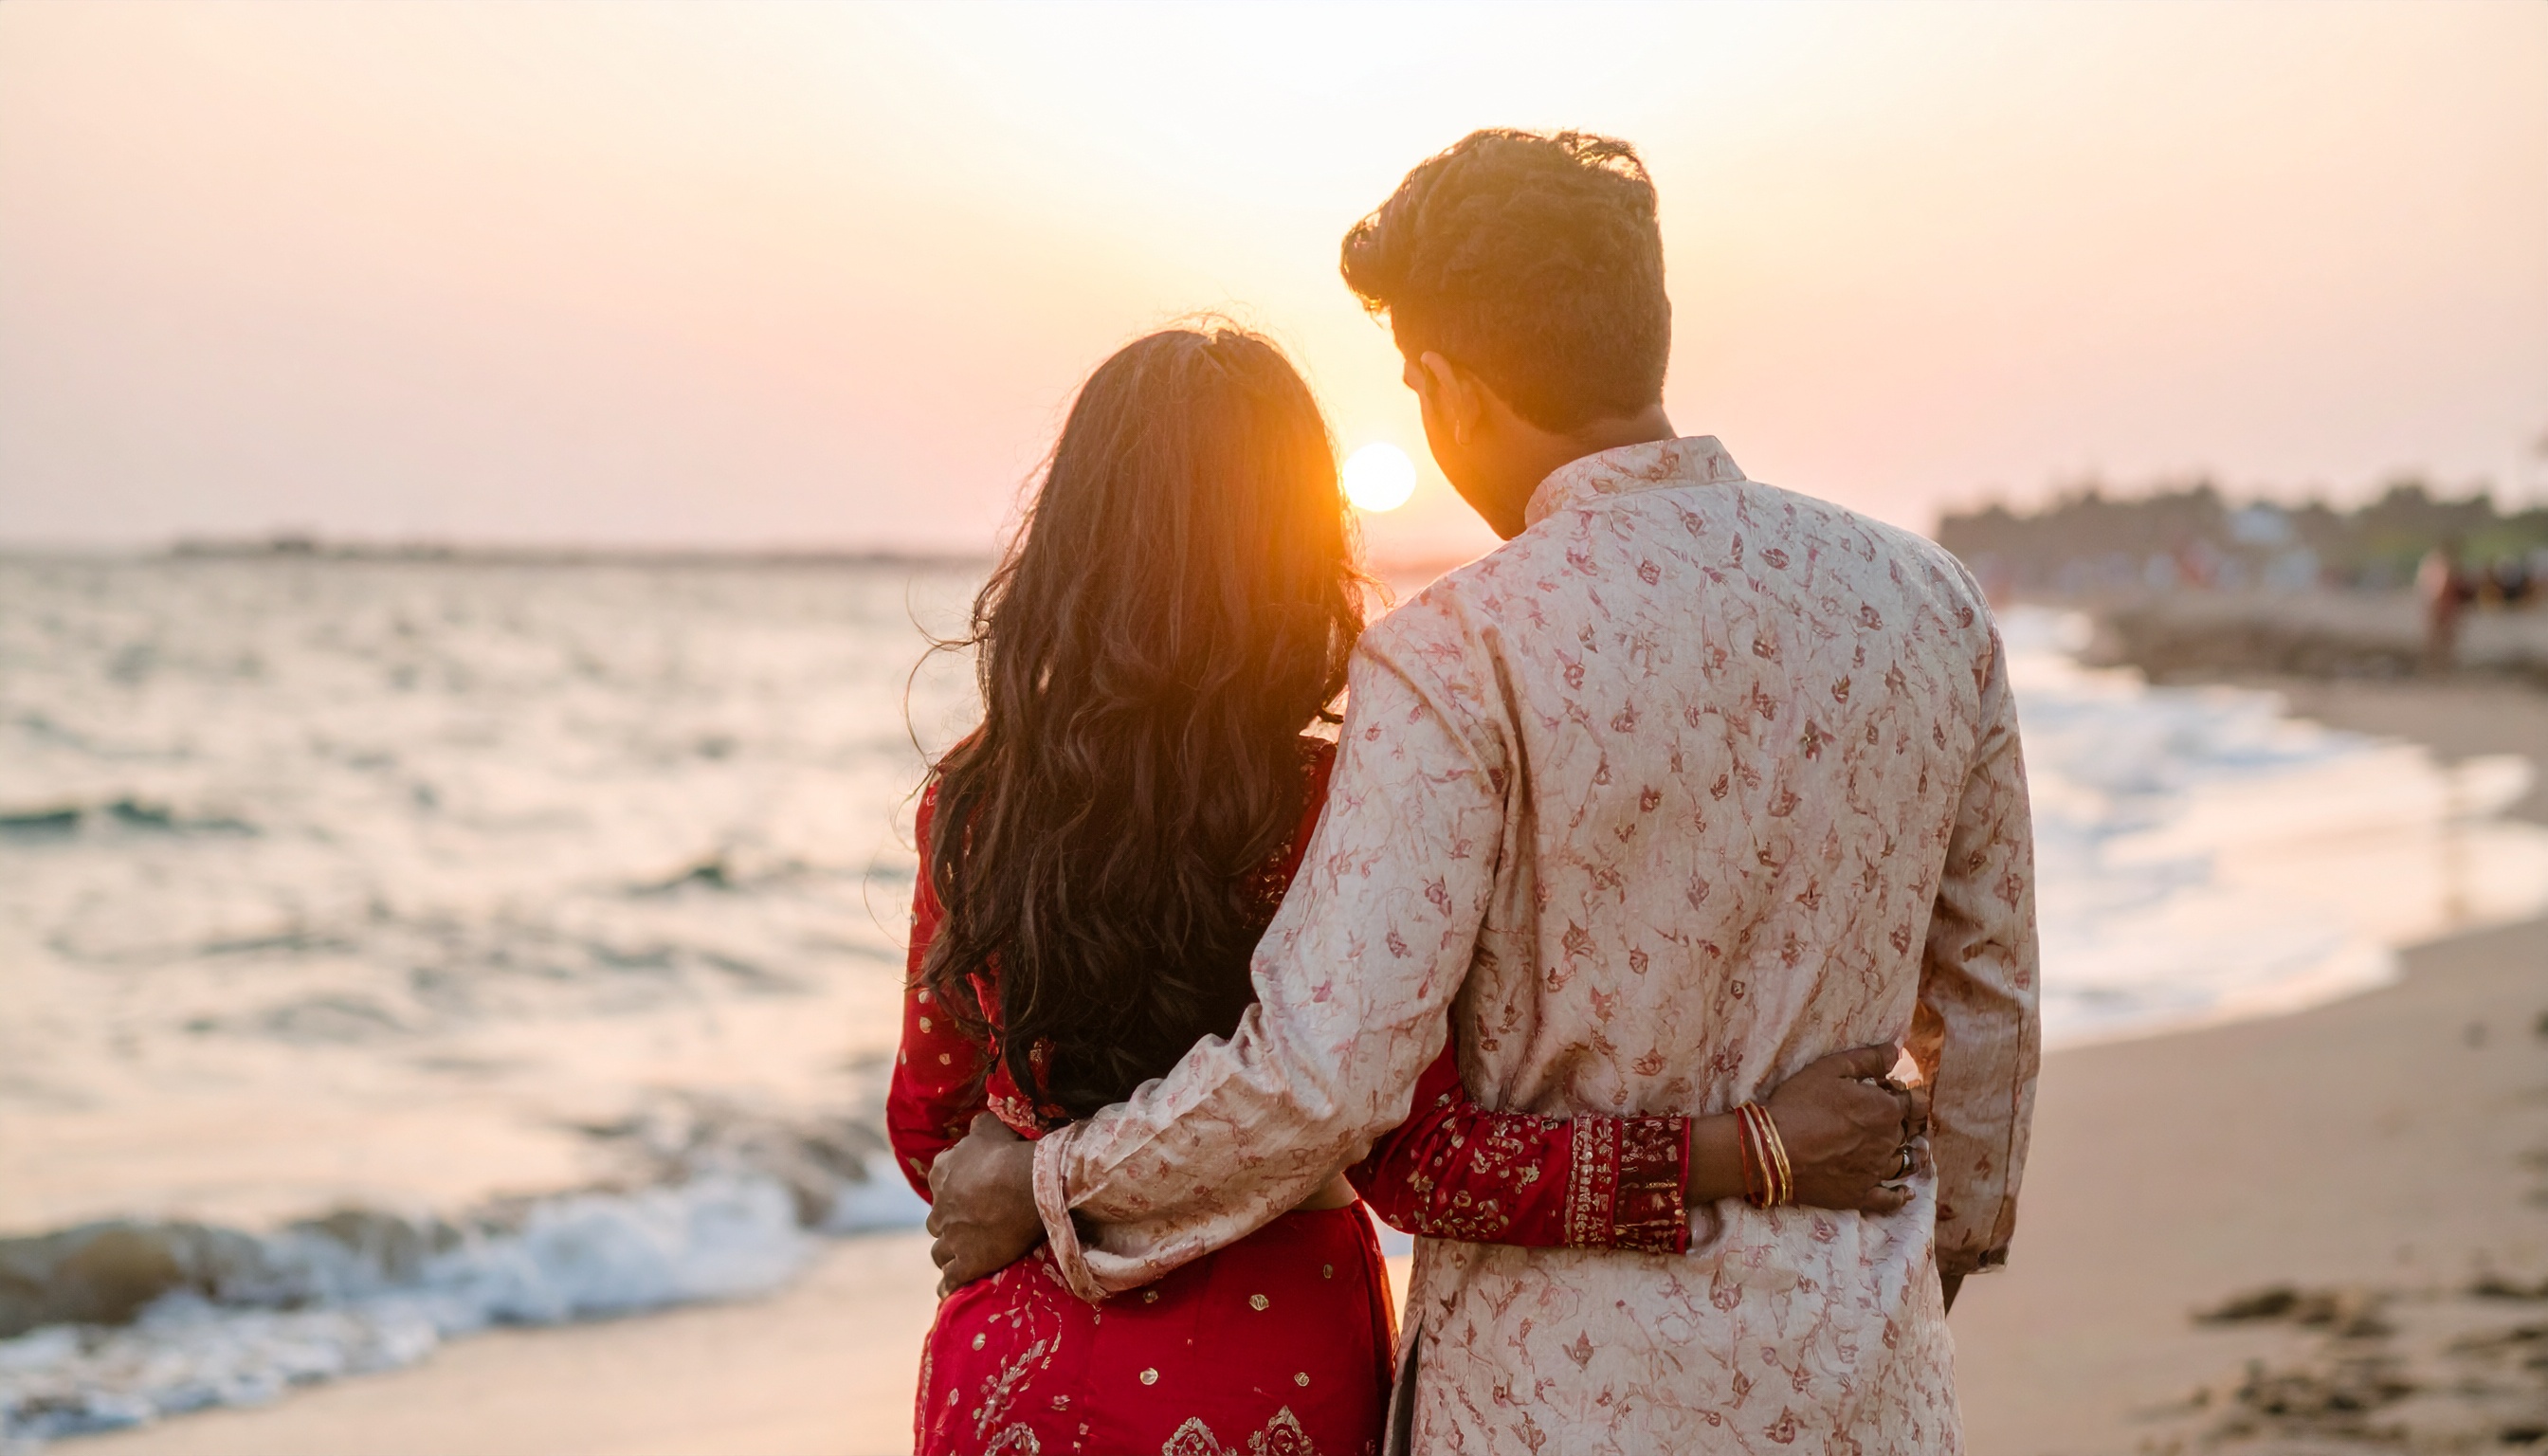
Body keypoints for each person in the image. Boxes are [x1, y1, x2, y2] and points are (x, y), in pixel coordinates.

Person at [928, 130, 2040, 1451]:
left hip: (1555, 1403)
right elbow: (1990, 1011)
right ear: (1651, 325)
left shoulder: (1460, 653)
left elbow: (1327, 1079)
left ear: (1449, 390)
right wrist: (1919, 1269)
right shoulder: (1930, 606)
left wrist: (1049, 1182)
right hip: (1864, 1382)